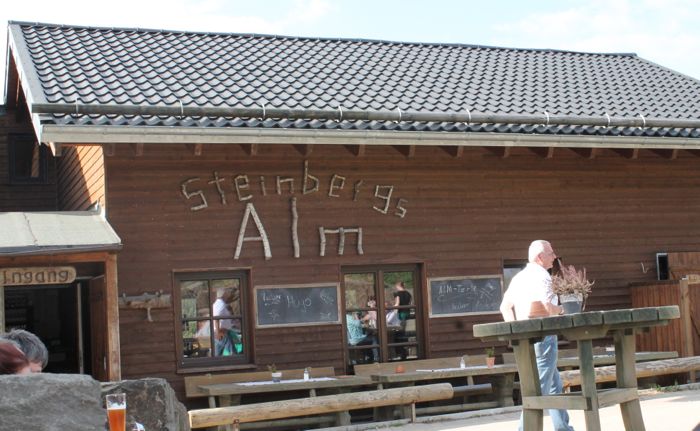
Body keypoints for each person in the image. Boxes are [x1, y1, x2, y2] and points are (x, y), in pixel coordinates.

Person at [499, 240, 573, 431]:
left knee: (554, 386)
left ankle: (564, 428)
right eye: (551, 253)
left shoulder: (519, 277)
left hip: (526, 340)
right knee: (539, 389)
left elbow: (505, 307)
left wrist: (515, 333)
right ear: (540, 257)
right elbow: (547, 307)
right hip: (544, 336)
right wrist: (564, 309)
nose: (554, 256)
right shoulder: (542, 276)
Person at [212, 288, 243, 356]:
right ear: (223, 295)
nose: (227, 296)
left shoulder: (218, 304)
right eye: (226, 294)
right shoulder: (220, 304)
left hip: (223, 332)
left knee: (219, 354)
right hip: (222, 333)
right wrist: (218, 333)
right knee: (231, 353)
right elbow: (216, 318)